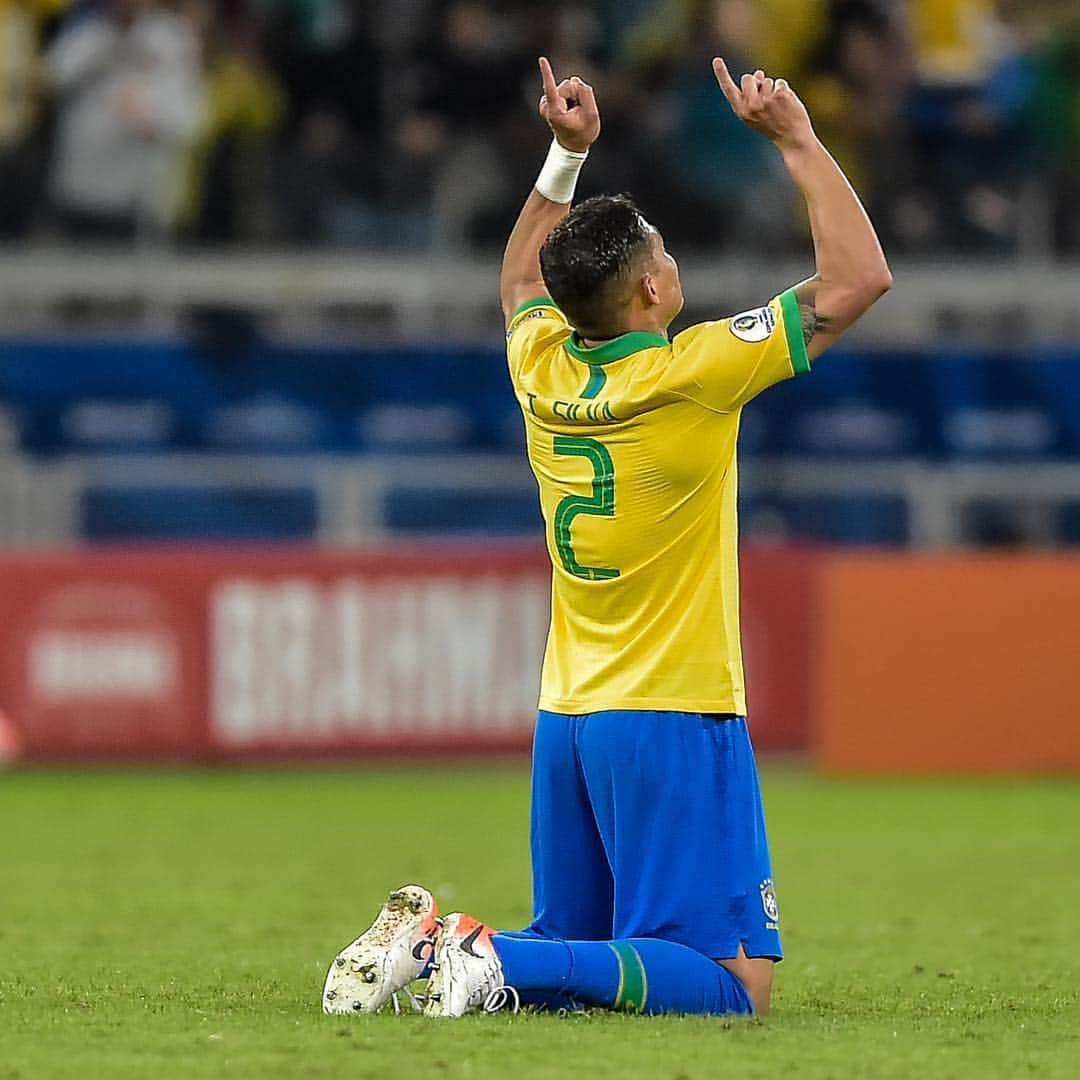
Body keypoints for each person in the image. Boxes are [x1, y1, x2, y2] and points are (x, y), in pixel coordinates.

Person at [323, 54, 891, 1019]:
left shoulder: (539, 361)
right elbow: (858, 277)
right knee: (731, 983)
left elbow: (517, 275)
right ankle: (472, 948)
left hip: (568, 714)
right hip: (673, 707)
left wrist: (562, 155)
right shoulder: (694, 371)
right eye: (662, 258)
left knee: (579, 953)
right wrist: (796, 139)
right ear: (646, 299)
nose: (675, 266)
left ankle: (445, 958)